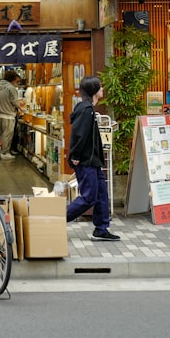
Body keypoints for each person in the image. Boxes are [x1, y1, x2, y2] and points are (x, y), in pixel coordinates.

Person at [65, 75, 120, 241]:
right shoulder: (86, 110)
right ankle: (58, 219)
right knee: (89, 196)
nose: (103, 89)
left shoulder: (88, 109)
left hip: (93, 160)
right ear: (94, 91)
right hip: (85, 160)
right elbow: (78, 134)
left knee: (101, 194)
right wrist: (74, 155)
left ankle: (101, 228)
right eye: (100, 87)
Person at [0, 69, 23, 160]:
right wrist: (21, 108)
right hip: (8, 115)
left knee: (1, 134)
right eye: (17, 81)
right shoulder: (11, 88)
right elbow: (14, 101)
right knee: (7, 135)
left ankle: (1, 151)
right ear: (12, 79)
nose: (17, 83)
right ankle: (5, 152)